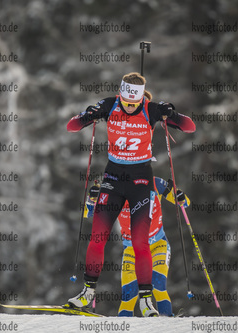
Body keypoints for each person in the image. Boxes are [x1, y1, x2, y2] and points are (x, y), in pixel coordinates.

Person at [66, 72, 195, 317]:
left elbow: (190, 126)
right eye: (126, 102)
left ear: (140, 100)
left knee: (139, 242)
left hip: (140, 182)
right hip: (113, 179)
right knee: (98, 236)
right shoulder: (108, 105)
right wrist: (87, 115)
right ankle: (87, 292)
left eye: (134, 104)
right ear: (121, 94)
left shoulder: (152, 109)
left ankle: (146, 301)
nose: (129, 107)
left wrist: (172, 113)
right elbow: (72, 125)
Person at [85, 177, 190, 317]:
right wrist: (92, 200)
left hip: (158, 245)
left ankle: (166, 323)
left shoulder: (155, 183)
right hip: (132, 249)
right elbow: (88, 213)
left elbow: (185, 203)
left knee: (157, 283)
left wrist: (180, 196)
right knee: (128, 295)